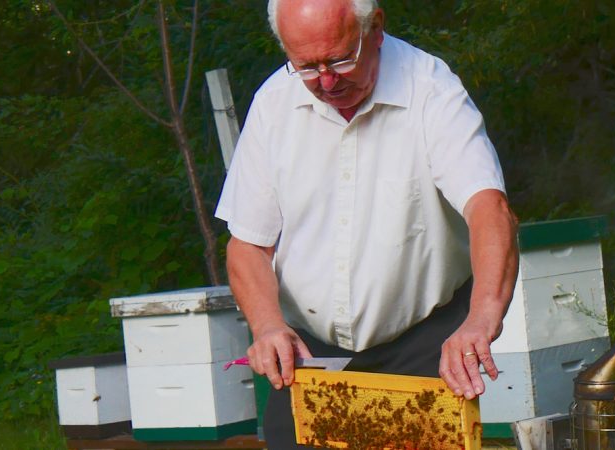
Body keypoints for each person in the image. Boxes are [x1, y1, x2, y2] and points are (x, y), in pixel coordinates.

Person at [215, 0, 519, 447]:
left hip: (422, 345)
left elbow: (489, 210)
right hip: (309, 353)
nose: (326, 80)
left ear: (375, 27)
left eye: (340, 59)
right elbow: (248, 245)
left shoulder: (430, 89)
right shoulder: (273, 104)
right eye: (305, 66)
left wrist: (481, 318)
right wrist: (266, 326)